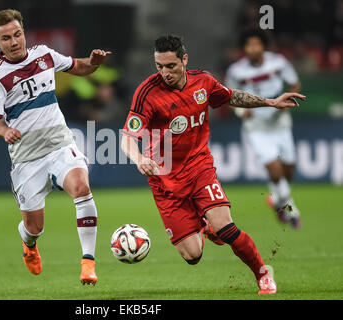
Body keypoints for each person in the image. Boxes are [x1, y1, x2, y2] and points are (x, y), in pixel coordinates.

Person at [120, 35, 305, 294]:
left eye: (170, 66)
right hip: (165, 181)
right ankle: (203, 226)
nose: (164, 73)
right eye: (159, 66)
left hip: (199, 168)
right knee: (192, 256)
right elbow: (128, 136)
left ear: (184, 60)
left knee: (226, 227)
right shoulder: (146, 93)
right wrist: (139, 158)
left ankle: (263, 274)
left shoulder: (203, 82)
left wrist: (271, 102)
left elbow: (232, 97)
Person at [0, 9, 111, 285]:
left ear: (24, 32)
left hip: (59, 144)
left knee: (82, 188)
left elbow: (80, 67)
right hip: (27, 157)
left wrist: (94, 63)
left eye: (17, 34)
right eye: (6, 38)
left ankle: (88, 263)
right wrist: (4, 130)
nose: (14, 42)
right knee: (34, 226)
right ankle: (29, 245)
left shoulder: (45, 55)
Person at [225, 29, 302, 228]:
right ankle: (291, 209)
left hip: (280, 123)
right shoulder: (235, 71)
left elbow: (295, 83)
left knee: (289, 171)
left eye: (256, 44)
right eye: (249, 45)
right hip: (256, 127)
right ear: (244, 48)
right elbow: (228, 97)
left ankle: (275, 200)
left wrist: (289, 101)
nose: (253, 48)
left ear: (263, 46)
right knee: (274, 171)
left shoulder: (278, 62)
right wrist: (242, 112)